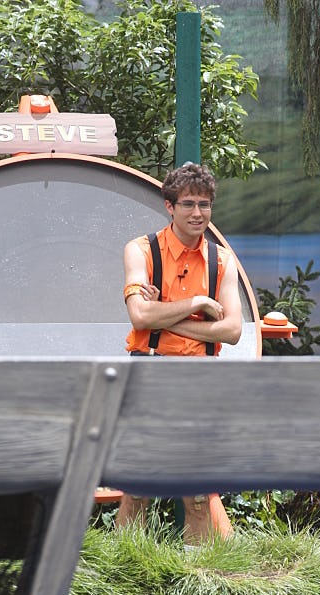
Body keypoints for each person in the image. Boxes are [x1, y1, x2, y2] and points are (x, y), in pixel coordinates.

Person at [116, 162, 242, 547]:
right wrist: (198, 303)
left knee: (198, 492)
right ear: (169, 207)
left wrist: (166, 316)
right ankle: (126, 569)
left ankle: (198, 573)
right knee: (137, 488)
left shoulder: (222, 260)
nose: (197, 213)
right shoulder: (141, 250)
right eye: (187, 204)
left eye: (204, 204)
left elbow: (232, 331)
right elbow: (140, 315)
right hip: (148, 371)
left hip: (201, 375)